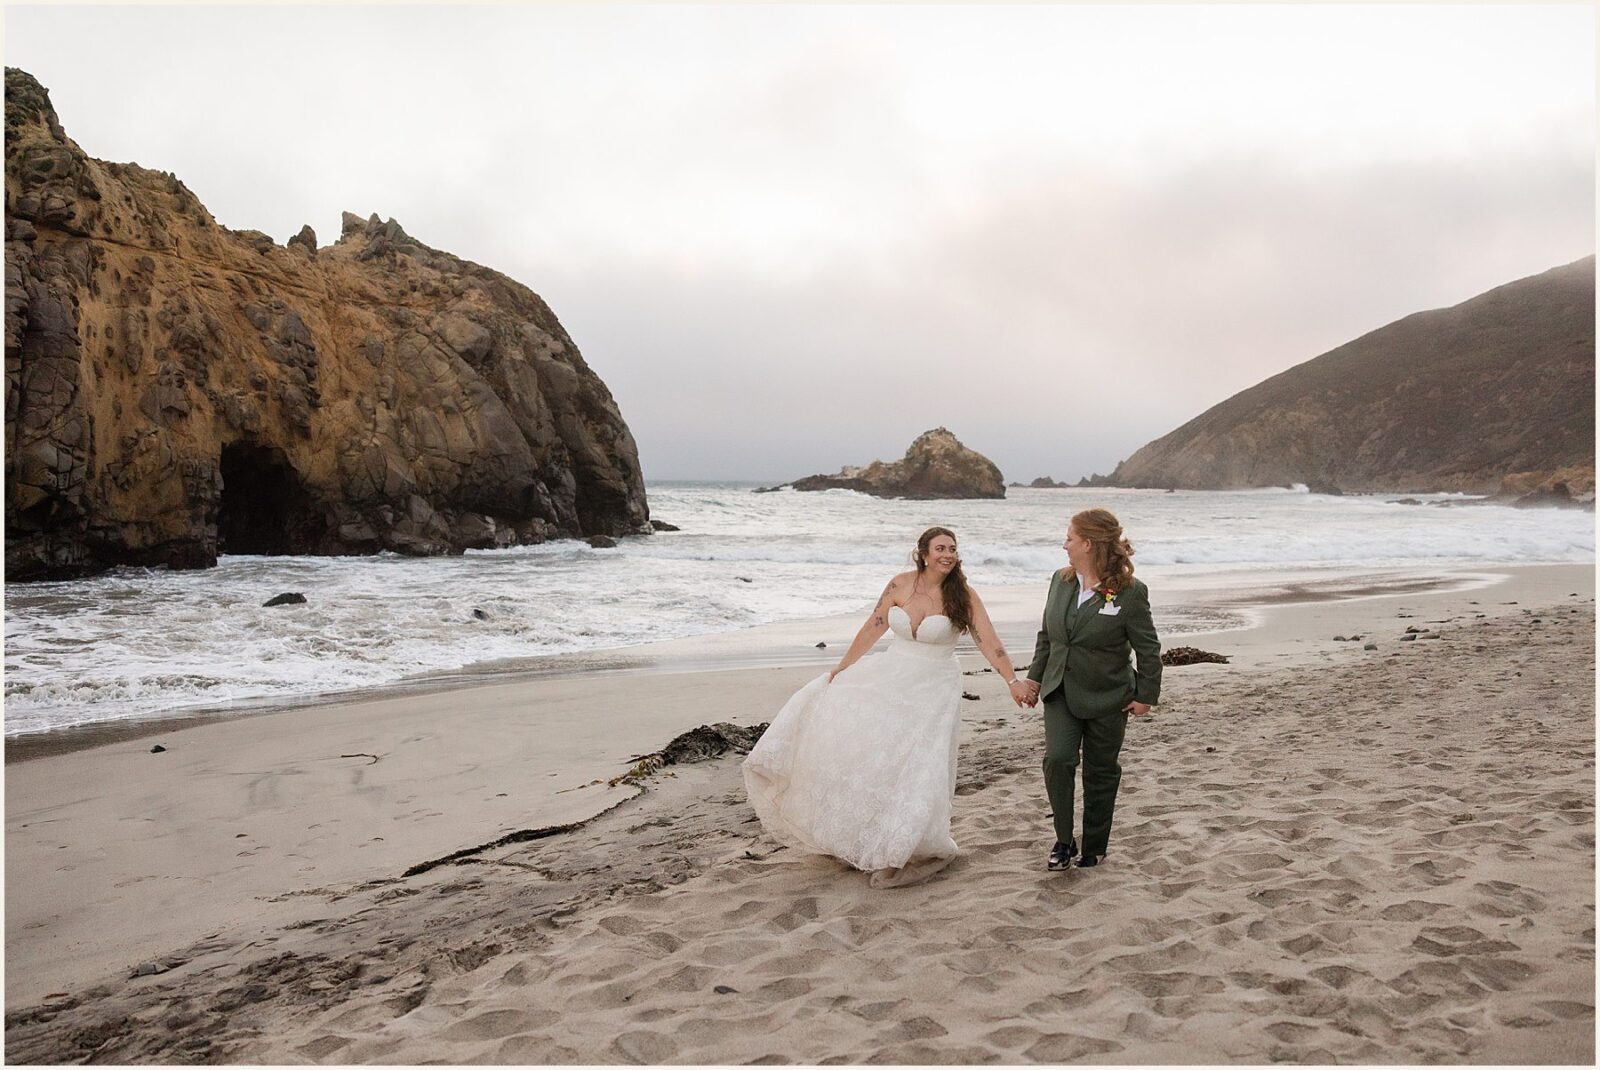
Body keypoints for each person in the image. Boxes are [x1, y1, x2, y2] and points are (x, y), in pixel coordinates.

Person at [742, 526, 1032, 887]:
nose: (948, 554)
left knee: (918, 765)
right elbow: (874, 626)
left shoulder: (964, 596)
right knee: (876, 754)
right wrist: (843, 667)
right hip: (892, 676)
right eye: (941, 548)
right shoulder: (899, 584)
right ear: (923, 553)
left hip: (934, 687)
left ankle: (910, 844)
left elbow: (990, 641)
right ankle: (866, 834)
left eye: (953, 549)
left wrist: (1011, 681)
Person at [1017, 508, 1162, 871]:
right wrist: (1034, 679)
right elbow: (1046, 637)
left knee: (1100, 771)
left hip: (1109, 696)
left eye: (1069, 538)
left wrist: (1146, 695)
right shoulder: (1060, 581)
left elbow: (1147, 648)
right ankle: (1064, 840)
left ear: (1088, 543)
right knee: (1058, 760)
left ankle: (1094, 846)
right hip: (1060, 690)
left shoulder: (1129, 592)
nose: (1063, 544)